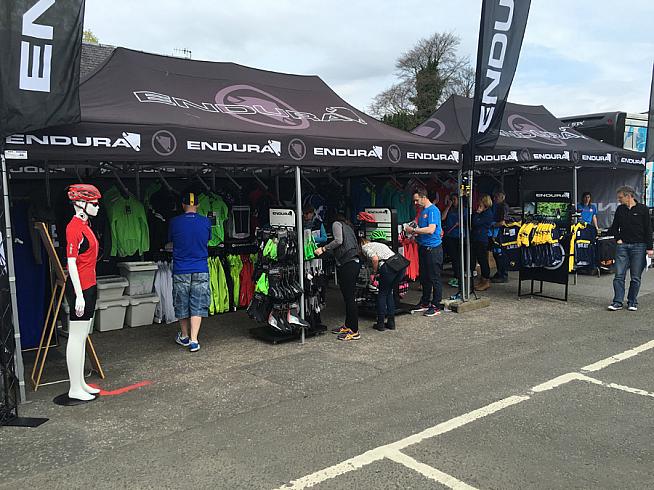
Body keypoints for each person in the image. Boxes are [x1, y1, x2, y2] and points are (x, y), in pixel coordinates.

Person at [64, 184, 103, 402]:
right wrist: (78, 295)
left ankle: (80, 383)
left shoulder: (85, 225)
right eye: (94, 203)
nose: (97, 207)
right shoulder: (74, 228)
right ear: (80, 203)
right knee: (76, 337)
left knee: (82, 336)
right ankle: (74, 387)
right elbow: (71, 263)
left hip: (89, 285)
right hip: (81, 287)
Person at [168, 191, 211, 352]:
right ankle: (194, 340)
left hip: (181, 269)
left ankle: (184, 336)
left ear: (183, 205)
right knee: (198, 303)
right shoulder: (205, 222)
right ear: (198, 205)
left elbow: (171, 240)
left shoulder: (175, 222)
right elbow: (207, 239)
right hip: (200, 267)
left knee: (182, 302)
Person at [607, 186, 653, 311]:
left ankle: (632, 301)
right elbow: (614, 227)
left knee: (635, 276)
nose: (619, 200)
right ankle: (617, 301)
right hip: (623, 246)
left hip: (639, 246)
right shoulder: (620, 209)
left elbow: (648, 229)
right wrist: (618, 239)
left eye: (620, 197)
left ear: (628, 196)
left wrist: (650, 248)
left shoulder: (643, 209)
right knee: (619, 275)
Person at [315, 214, 361, 341]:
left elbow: (338, 241)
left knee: (350, 298)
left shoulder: (336, 224)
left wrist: (323, 248)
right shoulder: (348, 226)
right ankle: (348, 325)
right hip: (353, 262)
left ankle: (354, 331)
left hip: (348, 263)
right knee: (347, 297)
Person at [405, 188, 443, 317]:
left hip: (433, 249)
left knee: (434, 277)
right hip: (423, 247)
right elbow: (419, 226)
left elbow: (431, 229)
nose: (415, 203)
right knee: (424, 277)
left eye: (417, 200)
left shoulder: (433, 210)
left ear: (423, 197)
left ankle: (436, 304)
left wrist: (413, 231)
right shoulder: (422, 211)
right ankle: (425, 302)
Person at [360, 230, 407, 331]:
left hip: (388, 267)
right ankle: (391, 322)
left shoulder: (365, 247)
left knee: (382, 294)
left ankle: (380, 323)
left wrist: (375, 272)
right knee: (389, 293)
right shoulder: (380, 245)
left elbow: (375, 259)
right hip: (400, 267)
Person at [471, 194, 494, 292]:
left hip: (481, 239)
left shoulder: (487, 214)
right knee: (479, 259)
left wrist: (477, 213)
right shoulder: (484, 213)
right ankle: (482, 280)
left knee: (483, 260)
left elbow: (475, 222)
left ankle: (486, 281)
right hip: (477, 238)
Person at [442, 193, 462, 290]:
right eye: (452, 199)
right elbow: (442, 217)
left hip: (459, 236)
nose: (453, 201)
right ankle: (456, 274)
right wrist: (448, 206)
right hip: (449, 235)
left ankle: (459, 275)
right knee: (453, 257)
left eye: (454, 199)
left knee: (458, 257)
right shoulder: (449, 209)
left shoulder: (462, 209)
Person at [491, 192, 511, 283]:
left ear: (502, 197)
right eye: (494, 197)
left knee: (500, 254)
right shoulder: (497, 206)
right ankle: (500, 272)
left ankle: (503, 274)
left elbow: (503, 222)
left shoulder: (503, 207)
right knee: (496, 253)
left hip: (501, 232)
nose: (494, 199)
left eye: (497, 197)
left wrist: (493, 225)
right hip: (497, 232)